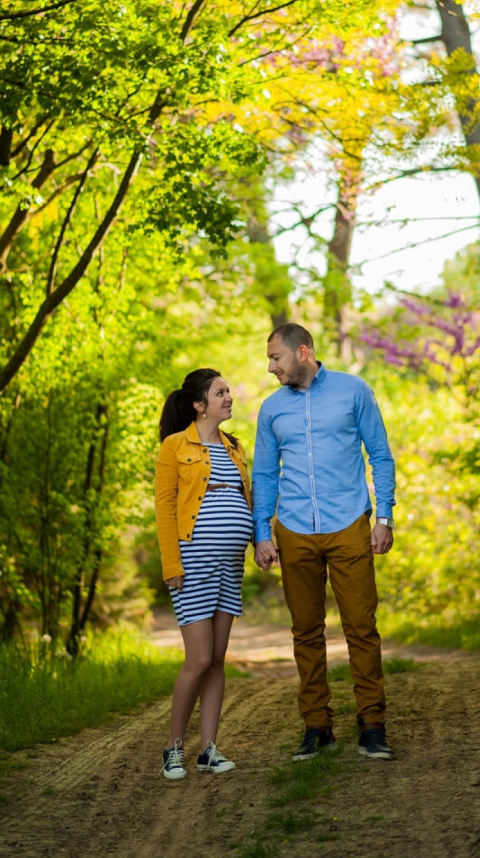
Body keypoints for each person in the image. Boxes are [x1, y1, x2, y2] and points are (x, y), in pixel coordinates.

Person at [252, 323, 396, 762]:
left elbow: (380, 454)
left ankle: (372, 724)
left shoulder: (354, 391)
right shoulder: (271, 409)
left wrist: (384, 517)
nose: (271, 367)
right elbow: (264, 474)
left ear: (303, 352)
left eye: (276, 357)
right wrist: (262, 533)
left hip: (349, 523)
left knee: (361, 627)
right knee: (306, 631)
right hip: (294, 529)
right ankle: (317, 725)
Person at [154, 368, 253, 781]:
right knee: (197, 659)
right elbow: (165, 509)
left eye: (228, 391)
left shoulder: (235, 447)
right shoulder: (175, 446)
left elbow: (249, 498)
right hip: (193, 563)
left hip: (231, 564)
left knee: (216, 659)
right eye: (219, 393)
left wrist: (261, 541)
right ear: (199, 405)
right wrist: (171, 566)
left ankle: (208, 749)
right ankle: (173, 747)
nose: (228, 398)